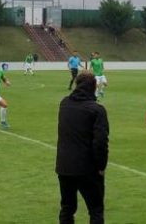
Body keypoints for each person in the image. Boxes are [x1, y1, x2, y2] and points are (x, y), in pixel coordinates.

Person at [56, 72, 109, 224]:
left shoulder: (64, 104)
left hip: (64, 165)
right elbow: (100, 142)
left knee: (67, 208)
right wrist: (101, 165)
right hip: (87, 168)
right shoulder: (97, 110)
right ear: (93, 87)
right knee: (96, 210)